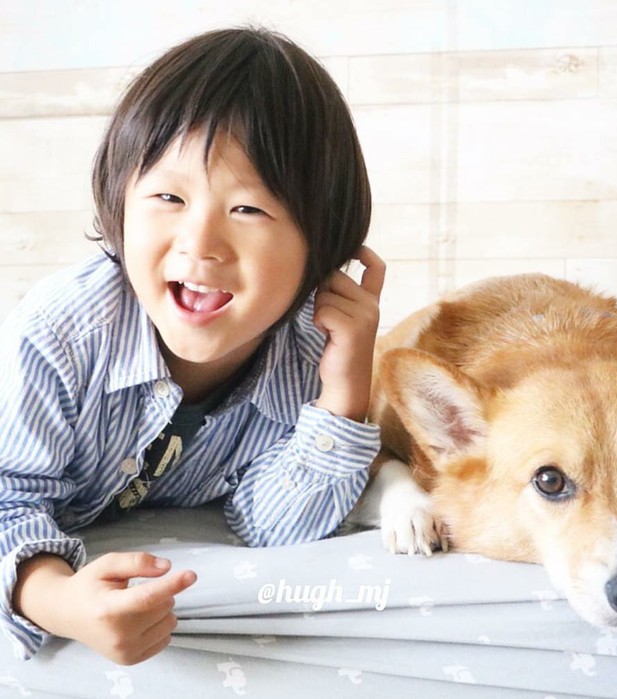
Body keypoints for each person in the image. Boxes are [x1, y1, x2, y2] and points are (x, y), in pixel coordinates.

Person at [0, 26, 385, 665]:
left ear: (322, 248)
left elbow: (273, 524)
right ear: (120, 206)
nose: (200, 243)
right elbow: (7, 495)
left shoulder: (304, 356)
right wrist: (56, 600)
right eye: (168, 197)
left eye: (249, 210)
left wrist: (344, 394)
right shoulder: (63, 332)